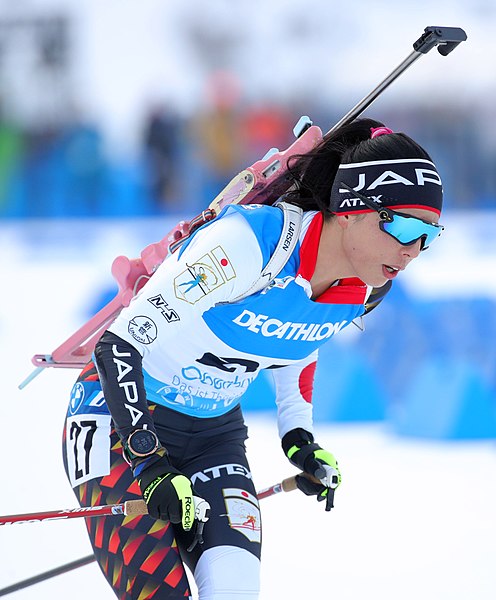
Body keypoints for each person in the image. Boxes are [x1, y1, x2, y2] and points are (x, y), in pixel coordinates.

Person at [62, 117, 444, 599]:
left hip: (212, 437)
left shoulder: (367, 285)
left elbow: (300, 341)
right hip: (118, 421)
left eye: (430, 236)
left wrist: (299, 438)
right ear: (350, 210)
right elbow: (117, 346)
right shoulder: (246, 245)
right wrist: (150, 464)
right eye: (407, 227)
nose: (414, 251)